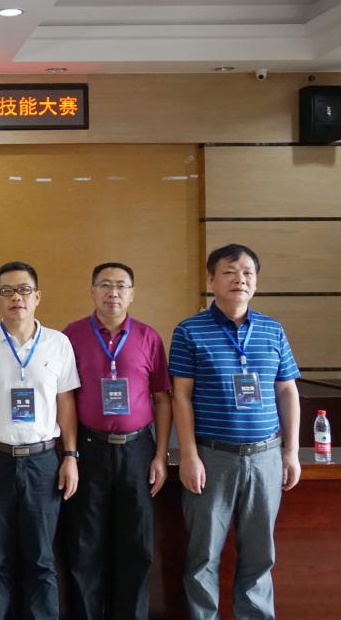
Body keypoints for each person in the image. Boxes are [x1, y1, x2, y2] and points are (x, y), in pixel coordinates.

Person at [169, 243, 301, 620]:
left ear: (255, 282)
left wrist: (290, 452)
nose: (239, 279)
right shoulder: (189, 331)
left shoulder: (272, 330)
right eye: (229, 272)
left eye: (247, 273)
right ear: (211, 279)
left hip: (266, 456)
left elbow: (287, 391)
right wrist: (189, 455)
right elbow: (181, 396)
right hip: (212, 457)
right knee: (203, 556)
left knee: (260, 555)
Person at [63, 262, 172, 619]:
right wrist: (70, 453)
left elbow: (162, 399)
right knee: (85, 544)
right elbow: (65, 398)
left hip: (138, 450)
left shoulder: (148, 337)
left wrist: (159, 455)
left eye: (121, 286)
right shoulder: (72, 336)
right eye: (105, 285)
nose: (113, 292)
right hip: (89, 449)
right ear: (92, 291)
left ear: (132, 293)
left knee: (136, 545)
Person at [0, 260, 80, 620]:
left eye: (24, 290)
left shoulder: (58, 343)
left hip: (43, 461)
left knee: (41, 560)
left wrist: (70, 456)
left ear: (37, 297)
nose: (16, 297)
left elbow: (66, 403)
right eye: (7, 291)